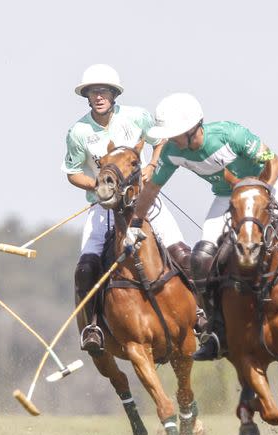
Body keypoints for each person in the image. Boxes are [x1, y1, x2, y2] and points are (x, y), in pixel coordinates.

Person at [124, 92, 278, 361]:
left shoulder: (231, 134)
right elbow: (152, 190)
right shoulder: (174, 152)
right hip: (226, 197)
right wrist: (135, 222)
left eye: (175, 133)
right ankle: (215, 330)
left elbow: (274, 161)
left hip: (265, 186)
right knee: (200, 258)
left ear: (192, 128)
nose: (171, 140)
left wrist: (262, 191)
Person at [62, 64, 192, 353]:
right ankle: (93, 326)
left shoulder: (138, 117)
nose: (99, 96)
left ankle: (203, 315)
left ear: (113, 94)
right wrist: (97, 185)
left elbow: (161, 141)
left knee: (182, 254)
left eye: (104, 91)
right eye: (93, 92)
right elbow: (72, 172)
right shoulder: (79, 132)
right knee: (85, 268)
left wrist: (151, 165)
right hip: (104, 207)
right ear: (87, 96)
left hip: (143, 201)